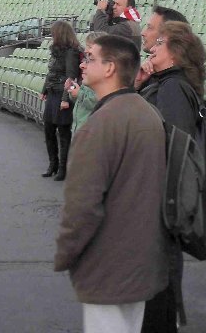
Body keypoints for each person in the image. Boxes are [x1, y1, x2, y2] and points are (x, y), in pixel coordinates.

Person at [55, 34, 169, 333]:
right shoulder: (147, 113)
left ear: (110, 68)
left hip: (107, 262)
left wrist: (66, 252)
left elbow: (82, 204)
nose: (83, 63)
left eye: (90, 58)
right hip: (142, 257)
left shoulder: (100, 125)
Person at [137, 21, 206, 331]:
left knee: (159, 289)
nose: (152, 47)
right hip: (158, 200)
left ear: (175, 53)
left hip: (161, 204)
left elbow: (172, 148)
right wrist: (139, 86)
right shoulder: (164, 83)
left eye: (160, 42)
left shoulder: (173, 88)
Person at [40, 20, 81, 181]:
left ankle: (63, 168)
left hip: (62, 95)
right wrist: (44, 90)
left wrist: (65, 99)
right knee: (49, 130)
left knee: (63, 133)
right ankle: (53, 164)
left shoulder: (71, 52)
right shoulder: (56, 51)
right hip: (52, 94)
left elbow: (71, 76)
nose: (52, 35)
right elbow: (51, 72)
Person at [138, 5, 189, 85]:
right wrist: (139, 84)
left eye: (150, 28)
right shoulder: (152, 76)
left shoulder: (174, 84)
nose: (143, 33)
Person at [65, 32, 102, 134]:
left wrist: (79, 94)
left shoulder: (100, 82)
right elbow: (78, 99)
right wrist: (72, 89)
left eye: (89, 47)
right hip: (78, 131)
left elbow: (96, 103)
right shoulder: (88, 78)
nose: (85, 50)